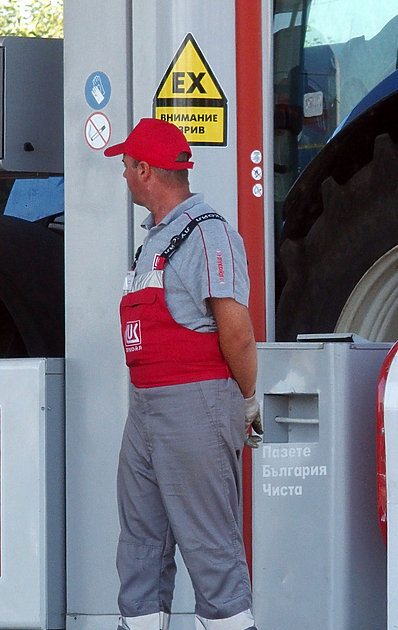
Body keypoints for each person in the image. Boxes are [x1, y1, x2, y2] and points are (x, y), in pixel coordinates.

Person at [105, 118, 263, 630]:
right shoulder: (153, 239)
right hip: (145, 409)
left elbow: (236, 334)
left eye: (127, 165)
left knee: (211, 551)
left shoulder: (207, 231)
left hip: (195, 404)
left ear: (146, 170)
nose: (124, 174)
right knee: (140, 550)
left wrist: (247, 400)